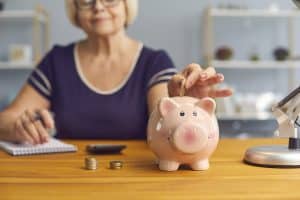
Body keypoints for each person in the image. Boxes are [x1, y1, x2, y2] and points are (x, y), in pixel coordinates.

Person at [0, 0, 232, 144]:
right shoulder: (56, 61)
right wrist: (18, 126)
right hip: (68, 178)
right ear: (76, 10)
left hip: (137, 180)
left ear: (126, 5)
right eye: (86, 0)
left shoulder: (154, 62)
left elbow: (165, 126)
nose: (98, 6)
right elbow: (5, 120)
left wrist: (188, 104)